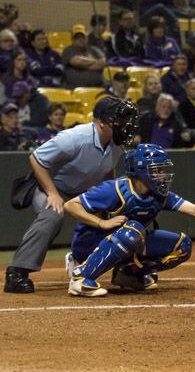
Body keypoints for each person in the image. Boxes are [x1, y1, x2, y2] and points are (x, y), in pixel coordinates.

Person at [4, 97, 138, 293]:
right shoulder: (75, 137)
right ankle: (16, 273)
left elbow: (108, 170)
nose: (124, 126)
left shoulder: (115, 142)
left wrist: (107, 195)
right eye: (119, 121)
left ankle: (120, 269)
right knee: (53, 214)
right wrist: (52, 193)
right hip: (49, 186)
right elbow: (37, 159)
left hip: (82, 190)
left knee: (119, 212)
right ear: (102, 122)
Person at [63, 144, 195, 296]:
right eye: (158, 170)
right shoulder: (115, 189)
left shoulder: (159, 195)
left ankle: (129, 274)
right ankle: (81, 277)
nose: (163, 175)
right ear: (142, 170)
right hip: (89, 243)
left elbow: (194, 209)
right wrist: (102, 223)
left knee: (183, 246)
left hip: (128, 239)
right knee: (133, 230)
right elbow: (71, 206)